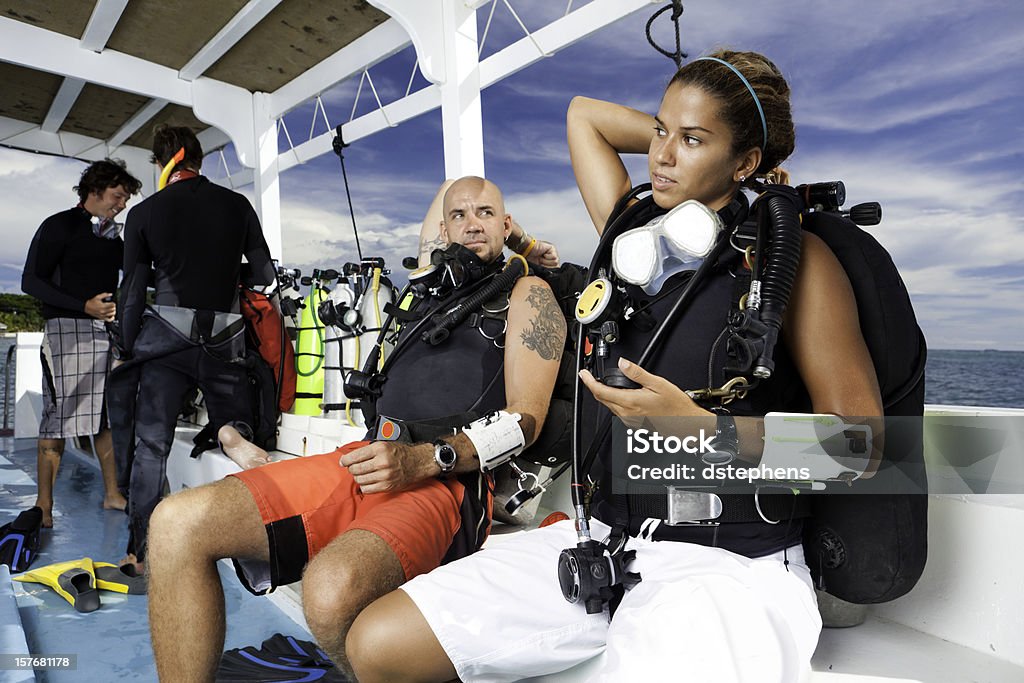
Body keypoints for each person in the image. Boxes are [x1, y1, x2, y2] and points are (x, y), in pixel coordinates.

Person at [346, 50, 883, 682]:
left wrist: (707, 434)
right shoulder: (635, 241)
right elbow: (585, 117)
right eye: (659, 131)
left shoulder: (793, 263)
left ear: (745, 162)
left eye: (692, 140)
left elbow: (863, 448)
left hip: (729, 564)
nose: (661, 155)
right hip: (605, 543)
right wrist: (690, 128)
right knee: (377, 645)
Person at [144, 176, 566, 680]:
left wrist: (427, 459)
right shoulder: (430, 284)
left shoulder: (528, 293)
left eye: (485, 213)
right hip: (367, 456)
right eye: (459, 216)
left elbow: (526, 421)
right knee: (174, 523)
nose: (471, 223)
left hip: (444, 479)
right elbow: (446, 198)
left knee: (328, 593)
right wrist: (502, 229)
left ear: (505, 222)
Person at [108, 124, 275, 572]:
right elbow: (262, 273)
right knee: (232, 416)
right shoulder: (237, 204)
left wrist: (127, 346)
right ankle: (229, 431)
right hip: (225, 332)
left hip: (168, 333)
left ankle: (141, 552)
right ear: (196, 158)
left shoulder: (144, 214)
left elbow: (132, 291)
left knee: (152, 444)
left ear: (166, 163)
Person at [21, 158, 142, 528]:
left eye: (125, 199)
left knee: (104, 418)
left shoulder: (110, 236)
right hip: (65, 332)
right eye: (117, 196)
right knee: (57, 420)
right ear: (94, 190)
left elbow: (137, 273)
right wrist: (83, 306)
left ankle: (112, 494)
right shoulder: (59, 225)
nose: (121, 204)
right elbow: (31, 281)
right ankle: (44, 505)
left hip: (102, 334)